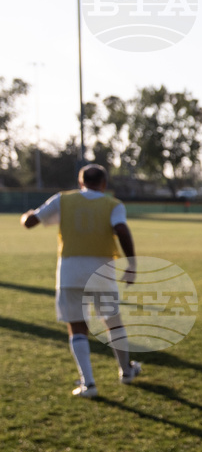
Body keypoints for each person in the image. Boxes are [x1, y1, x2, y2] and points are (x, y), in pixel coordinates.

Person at [20, 164, 142, 398]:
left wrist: (26, 215)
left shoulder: (63, 200)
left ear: (80, 182)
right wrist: (132, 264)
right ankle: (126, 371)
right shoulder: (113, 204)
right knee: (113, 322)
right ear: (104, 184)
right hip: (102, 272)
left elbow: (31, 222)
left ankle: (89, 383)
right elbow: (122, 230)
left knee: (77, 327)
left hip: (70, 272)